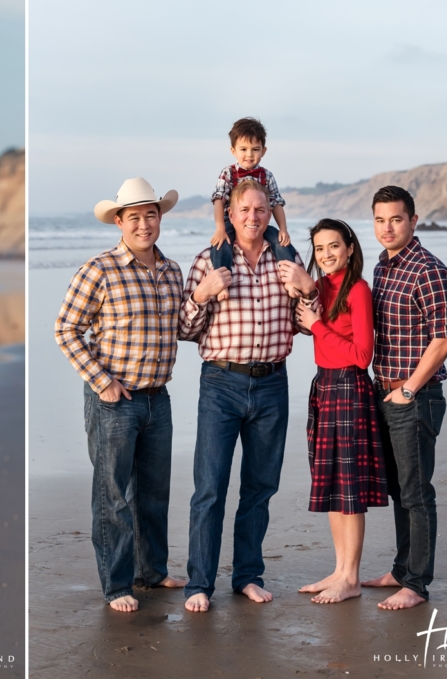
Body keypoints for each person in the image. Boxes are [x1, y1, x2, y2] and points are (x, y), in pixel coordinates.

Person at [179, 178, 313, 612]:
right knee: (210, 488)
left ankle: (247, 576)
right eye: (245, 210)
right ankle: (199, 583)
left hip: (273, 382)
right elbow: (184, 328)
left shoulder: (288, 260)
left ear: (269, 212)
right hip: (221, 384)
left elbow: (309, 324)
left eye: (260, 209)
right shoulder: (209, 260)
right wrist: (201, 294)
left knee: (260, 487)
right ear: (230, 215)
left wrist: (308, 288)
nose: (253, 217)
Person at [54, 177, 186, 613]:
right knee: (112, 495)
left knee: (153, 493)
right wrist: (102, 381)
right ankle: (117, 585)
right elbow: (66, 329)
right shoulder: (100, 269)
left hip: (158, 398)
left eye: (151, 215)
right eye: (135, 217)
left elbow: (181, 329)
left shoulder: (171, 271)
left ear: (159, 218)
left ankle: (152, 571)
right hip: (114, 400)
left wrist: (202, 298)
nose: (144, 224)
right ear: (119, 221)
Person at [360, 185, 447, 610]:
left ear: (413, 221)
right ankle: (402, 570)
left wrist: (408, 389)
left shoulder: (428, 270)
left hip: (415, 396)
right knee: (402, 490)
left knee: (417, 492)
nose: (387, 227)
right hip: (388, 394)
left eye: (396, 219)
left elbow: (444, 338)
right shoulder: (383, 267)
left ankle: (417, 585)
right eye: (380, 219)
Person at [290, 218, 388, 604]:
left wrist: (317, 326)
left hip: (349, 385)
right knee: (331, 483)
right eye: (319, 248)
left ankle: (351, 577)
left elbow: (363, 355)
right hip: (324, 385)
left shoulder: (358, 290)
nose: (327, 254)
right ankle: (338, 569)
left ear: (349, 247)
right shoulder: (318, 289)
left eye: (334, 246)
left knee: (348, 487)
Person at [209, 117, 295, 300]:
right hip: (232, 223)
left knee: (282, 244)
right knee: (221, 245)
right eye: (243, 149)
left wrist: (283, 229)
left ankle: (289, 279)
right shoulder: (229, 173)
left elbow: (276, 203)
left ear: (263, 151)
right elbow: (219, 200)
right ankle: (221, 283)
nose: (249, 154)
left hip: (260, 224)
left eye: (255, 150)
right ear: (233, 151)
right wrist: (220, 228)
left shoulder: (267, 175)